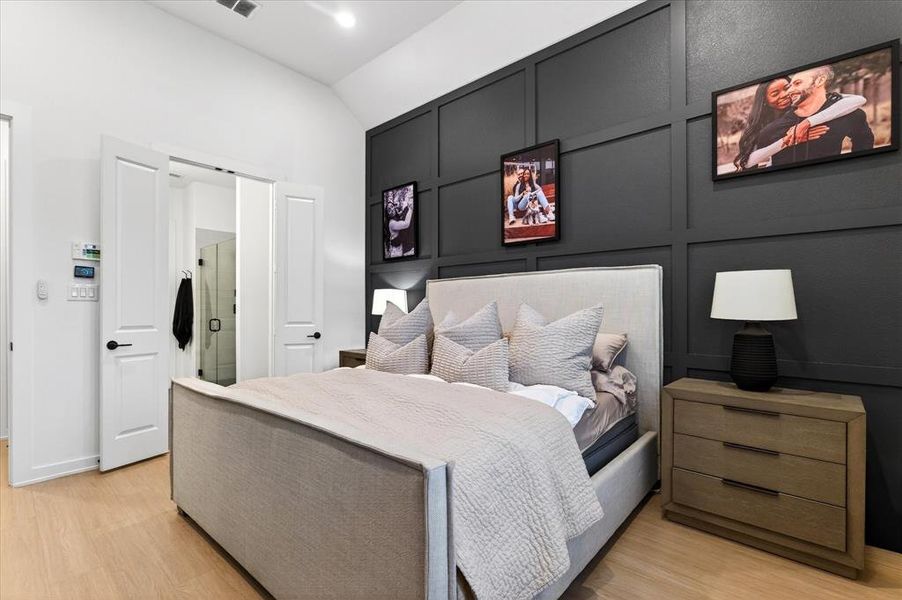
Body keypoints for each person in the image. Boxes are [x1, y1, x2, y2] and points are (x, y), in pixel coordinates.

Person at [733, 74, 867, 170]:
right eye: (775, 94)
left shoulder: (812, 104)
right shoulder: (762, 125)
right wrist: (790, 140)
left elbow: (858, 100)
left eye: (787, 88)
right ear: (764, 101)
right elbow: (746, 162)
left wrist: (806, 123)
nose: (784, 95)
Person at [384, 187, 414, 258]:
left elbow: (402, 214)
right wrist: (410, 208)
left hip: (400, 249)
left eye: (392, 206)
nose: (391, 209)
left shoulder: (396, 218)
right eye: (389, 209)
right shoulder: (392, 224)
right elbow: (406, 224)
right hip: (396, 253)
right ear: (387, 214)